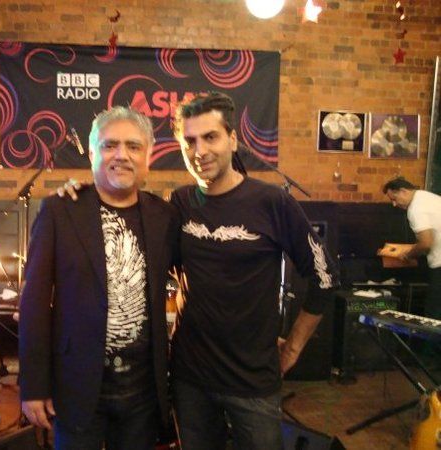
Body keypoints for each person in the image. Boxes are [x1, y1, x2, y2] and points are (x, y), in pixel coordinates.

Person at [169, 91, 339, 450]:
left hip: (253, 382)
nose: (199, 151)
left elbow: (325, 277)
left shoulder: (272, 201)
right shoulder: (180, 202)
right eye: (190, 141)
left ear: (233, 139)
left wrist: (293, 347)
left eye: (210, 137)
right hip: (190, 378)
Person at [19, 106, 179, 450]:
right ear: (92, 154)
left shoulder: (164, 216)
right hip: (76, 383)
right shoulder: (59, 210)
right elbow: (33, 304)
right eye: (110, 145)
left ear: (148, 157)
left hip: (143, 391)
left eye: (133, 146)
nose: (122, 155)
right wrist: (33, 385)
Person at [383, 176, 441, 319]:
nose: (394, 204)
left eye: (394, 199)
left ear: (403, 191)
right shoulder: (428, 197)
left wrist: (409, 255)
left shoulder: (415, 209)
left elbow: (426, 243)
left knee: (433, 315)